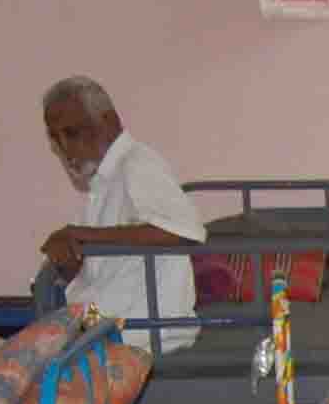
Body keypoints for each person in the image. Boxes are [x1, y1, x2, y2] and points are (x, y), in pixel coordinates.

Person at [38, 73, 206, 351]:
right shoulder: (102, 185)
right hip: (103, 324)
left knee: (22, 373)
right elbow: (94, 277)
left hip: (144, 335)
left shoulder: (138, 165)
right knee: (14, 359)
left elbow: (184, 231)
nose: (66, 148)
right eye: (57, 139)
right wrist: (67, 256)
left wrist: (81, 235)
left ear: (107, 121)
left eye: (71, 133)